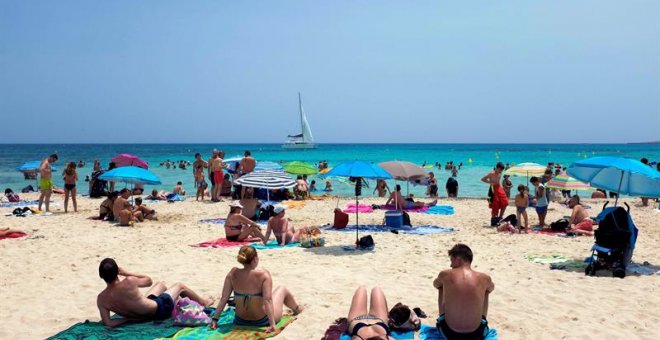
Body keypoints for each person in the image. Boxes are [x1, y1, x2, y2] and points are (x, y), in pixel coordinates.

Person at [210, 246, 303, 332]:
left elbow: (224, 299)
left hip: (240, 320)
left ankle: (297, 309)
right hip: (262, 321)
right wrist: (272, 324)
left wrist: (215, 320)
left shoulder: (233, 273)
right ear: (255, 259)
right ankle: (297, 309)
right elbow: (268, 300)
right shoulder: (263, 275)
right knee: (282, 289)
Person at [96, 258, 212, 327]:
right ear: (117, 271)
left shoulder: (101, 299)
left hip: (140, 313)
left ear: (101, 276)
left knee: (160, 285)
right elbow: (148, 281)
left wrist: (128, 320)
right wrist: (126, 273)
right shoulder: (129, 281)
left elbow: (109, 323)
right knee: (179, 286)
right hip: (159, 310)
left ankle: (174, 299)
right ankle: (204, 302)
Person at [433, 244, 494, 340]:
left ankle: (441, 317)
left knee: (441, 287)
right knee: (486, 290)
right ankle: (483, 320)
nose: (451, 265)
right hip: (477, 334)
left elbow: (435, 284)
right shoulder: (484, 278)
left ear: (458, 259)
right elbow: (491, 288)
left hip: (448, 333)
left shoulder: (445, 274)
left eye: (451, 260)